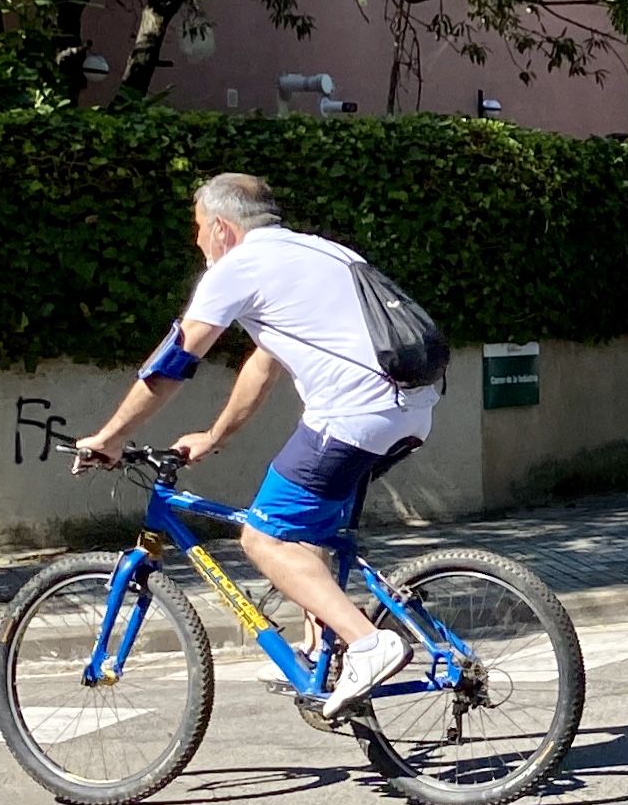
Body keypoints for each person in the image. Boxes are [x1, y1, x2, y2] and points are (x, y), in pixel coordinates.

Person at [76, 172, 442, 713]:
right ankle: (325, 649)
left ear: (222, 228)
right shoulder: (319, 253)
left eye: (198, 229)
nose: (198, 241)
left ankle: (368, 644)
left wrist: (111, 437)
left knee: (261, 537)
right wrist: (215, 435)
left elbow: (175, 361)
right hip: (413, 408)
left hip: (351, 415)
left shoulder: (237, 267)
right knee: (306, 529)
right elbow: (264, 362)